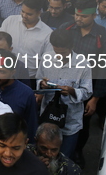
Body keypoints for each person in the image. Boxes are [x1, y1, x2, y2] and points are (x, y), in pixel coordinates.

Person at [37, 28, 92, 158]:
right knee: (44, 156)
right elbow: (39, 78)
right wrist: (42, 84)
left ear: (71, 47)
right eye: (57, 52)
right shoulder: (47, 58)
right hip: (48, 118)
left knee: (64, 158)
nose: (60, 56)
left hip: (70, 122)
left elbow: (87, 91)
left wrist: (72, 91)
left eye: (63, 53)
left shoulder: (83, 64)